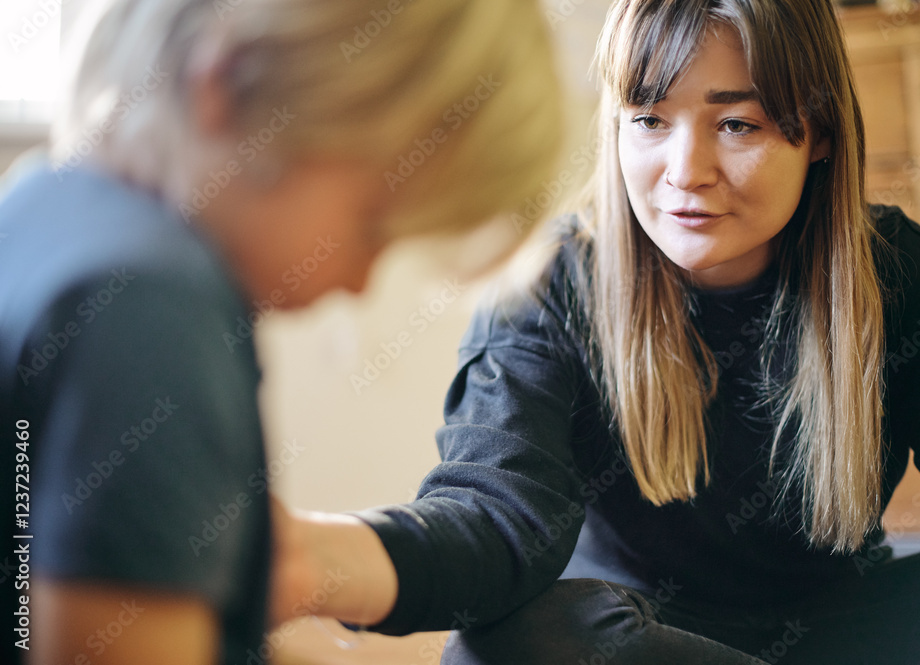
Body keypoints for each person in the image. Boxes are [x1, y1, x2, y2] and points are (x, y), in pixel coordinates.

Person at [275, 0, 920, 663]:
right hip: (644, 640)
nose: (686, 172)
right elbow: (494, 521)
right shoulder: (552, 286)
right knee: (511, 641)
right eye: (650, 119)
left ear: (820, 134)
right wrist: (307, 558)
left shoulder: (896, 272)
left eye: (737, 123)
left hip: (847, 626)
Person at [0, 0, 563, 663]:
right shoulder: (156, 317)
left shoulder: (41, 204)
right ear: (231, 83)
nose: (361, 283)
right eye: (372, 227)